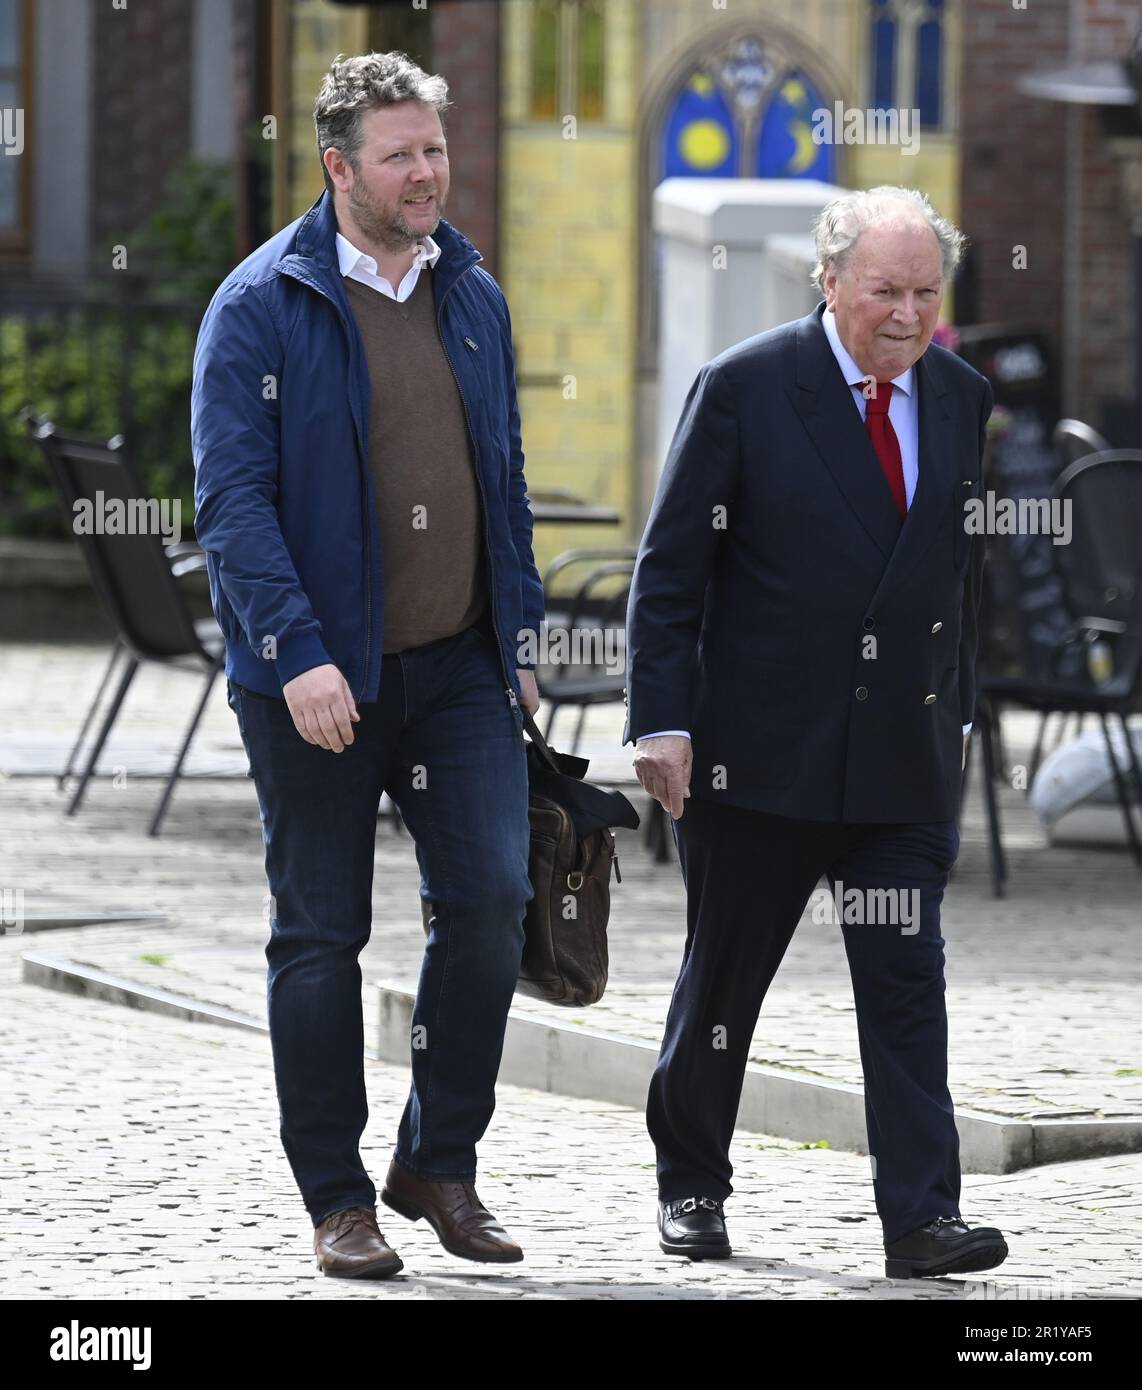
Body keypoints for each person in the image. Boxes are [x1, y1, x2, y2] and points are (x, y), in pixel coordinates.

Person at [191, 50, 544, 1278]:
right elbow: (231, 503)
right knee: (320, 934)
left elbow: (501, 479)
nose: (425, 173)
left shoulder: (471, 293)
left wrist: (522, 637)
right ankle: (338, 1198)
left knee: (495, 904)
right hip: (319, 685)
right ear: (338, 166)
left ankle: (439, 1161)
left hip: (456, 672)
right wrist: (295, 653)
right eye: (399, 155)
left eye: (434, 149)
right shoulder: (260, 305)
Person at [624, 186, 1008, 1280]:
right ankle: (691, 1182)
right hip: (761, 755)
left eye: (925, 292)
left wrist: (960, 713)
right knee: (724, 985)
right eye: (884, 289)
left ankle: (920, 1218)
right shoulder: (746, 387)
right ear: (828, 279)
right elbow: (669, 571)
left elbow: (953, 574)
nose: (905, 313)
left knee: (904, 985)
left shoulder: (956, 392)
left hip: (897, 765)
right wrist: (659, 719)